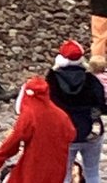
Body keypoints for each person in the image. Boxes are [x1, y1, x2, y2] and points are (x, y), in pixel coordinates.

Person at [0, 76, 76, 183]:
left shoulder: (29, 114)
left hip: (34, 163)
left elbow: (15, 139)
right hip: (57, 164)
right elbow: (71, 135)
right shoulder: (61, 115)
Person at [46, 40, 107, 183]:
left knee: (64, 175)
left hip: (64, 133)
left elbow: (48, 106)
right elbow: (101, 105)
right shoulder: (91, 79)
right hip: (92, 131)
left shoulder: (52, 79)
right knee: (92, 172)